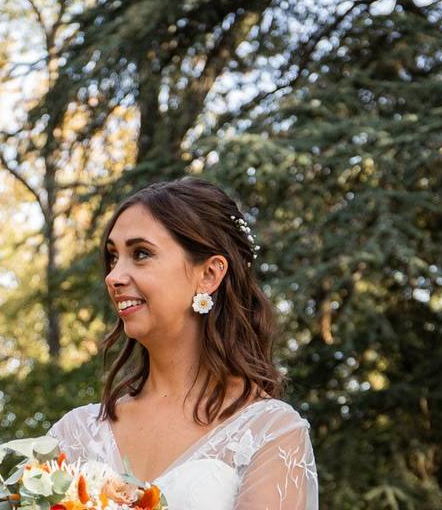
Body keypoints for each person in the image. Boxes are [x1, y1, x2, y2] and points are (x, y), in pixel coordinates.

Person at [47, 177, 318, 509]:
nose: (113, 276)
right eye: (113, 257)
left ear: (208, 275)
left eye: (141, 253)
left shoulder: (269, 433)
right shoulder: (74, 435)